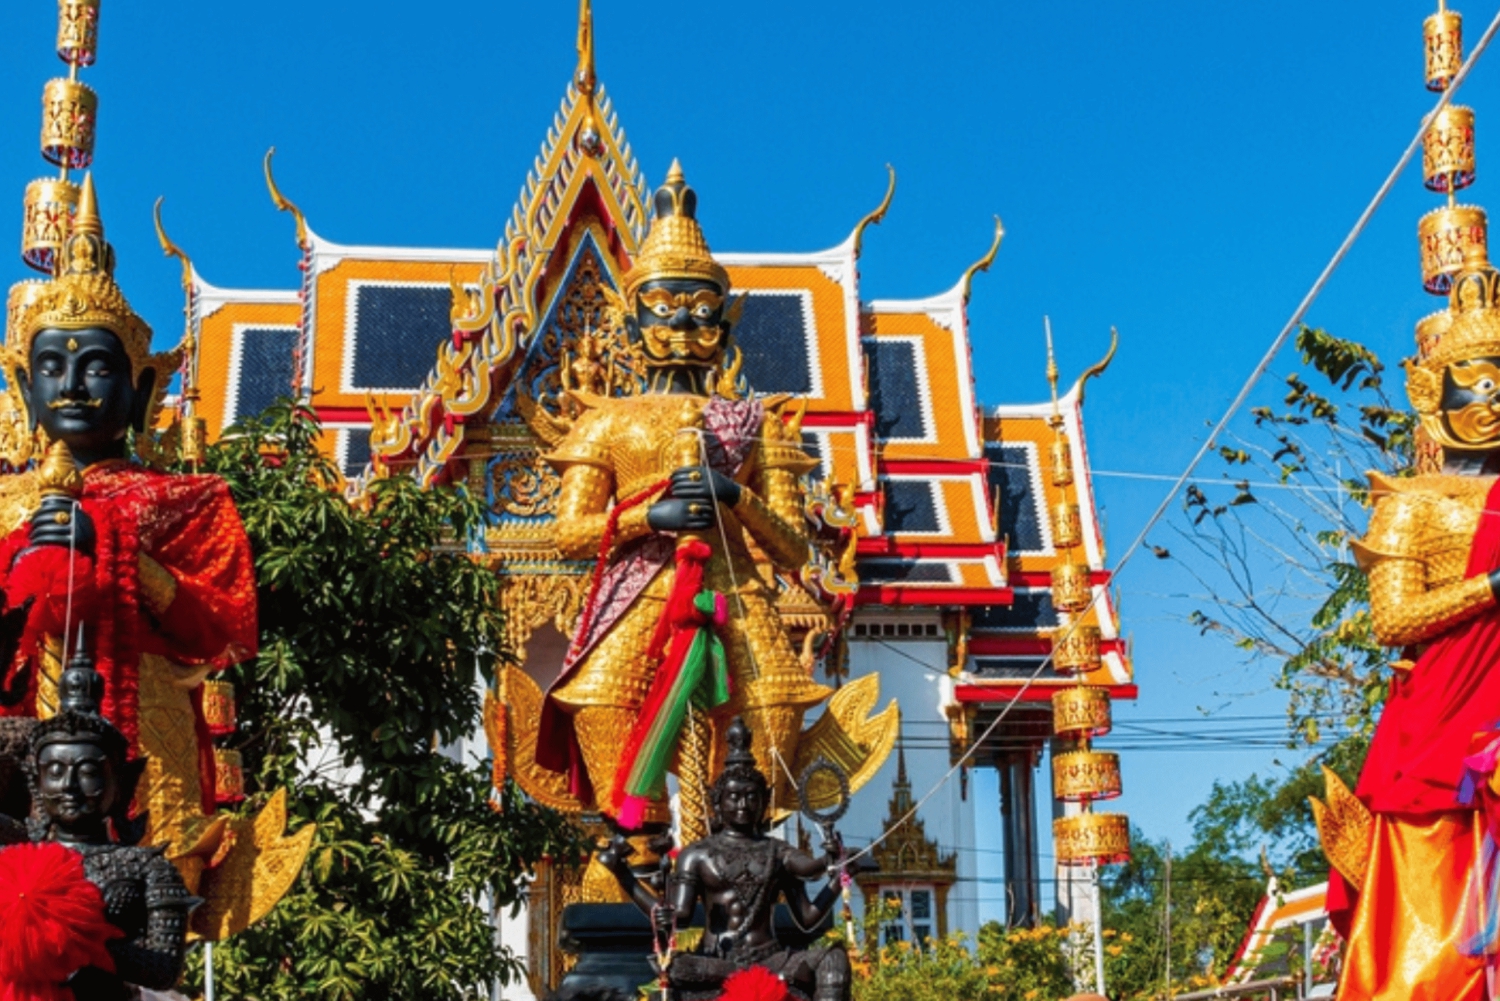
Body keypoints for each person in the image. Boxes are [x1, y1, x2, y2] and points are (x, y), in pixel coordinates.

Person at [0, 173, 257, 877]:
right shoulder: (8, 502)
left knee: (149, 890)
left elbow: (220, 627)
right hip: (23, 733)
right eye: (51, 366)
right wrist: (23, 557)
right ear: (24, 387)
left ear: (140, 387)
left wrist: (115, 555)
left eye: (96, 367)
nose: (72, 386)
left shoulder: (186, 501)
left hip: (144, 725)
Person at [1330, 264, 1500, 999]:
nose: (1494, 400)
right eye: (1480, 383)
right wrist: (1491, 587)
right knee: (1432, 949)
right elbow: (1391, 619)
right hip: (1445, 730)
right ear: (1433, 392)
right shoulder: (1412, 503)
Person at [600, 717, 851, 1001]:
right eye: (733, 796)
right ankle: (742, 977)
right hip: (717, 960)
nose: (743, 805)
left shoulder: (777, 851)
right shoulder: (697, 854)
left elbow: (807, 911)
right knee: (677, 966)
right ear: (717, 803)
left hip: (771, 958)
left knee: (833, 960)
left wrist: (834, 869)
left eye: (752, 797)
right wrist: (625, 877)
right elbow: (679, 917)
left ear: (764, 800)